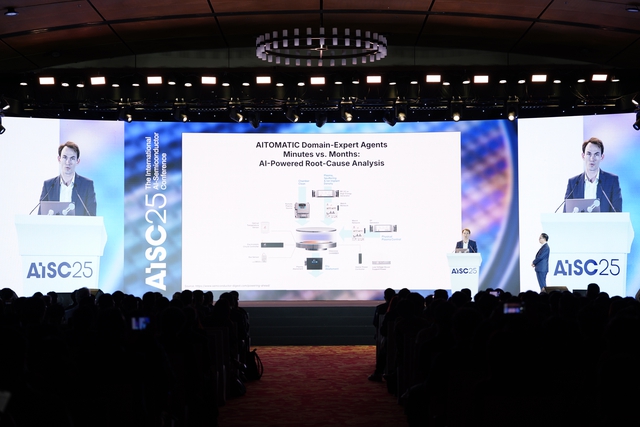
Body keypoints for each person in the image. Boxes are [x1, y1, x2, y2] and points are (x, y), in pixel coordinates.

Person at [564, 137, 622, 212]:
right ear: (583, 156)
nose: (592, 158)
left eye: (596, 154)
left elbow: (617, 212)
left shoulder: (612, 181)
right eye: (589, 154)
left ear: (602, 157)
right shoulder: (573, 183)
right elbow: (566, 213)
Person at [39, 141, 97, 216]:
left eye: (72, 158)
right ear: (59, 159)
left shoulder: (87, 185)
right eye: (64, 157)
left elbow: (91, 216)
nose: (68, 162)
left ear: (77, 161)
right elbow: (40, 216)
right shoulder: (48, 186)